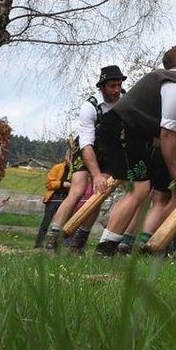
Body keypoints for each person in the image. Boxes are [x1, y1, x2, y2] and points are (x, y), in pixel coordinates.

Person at [96, 48, 176, 255]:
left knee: (140, 190)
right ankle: (105, 249)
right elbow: (166, 135)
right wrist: (175, 172)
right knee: (139, 189)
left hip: (132, 135)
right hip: (120, 131)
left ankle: (108, 245)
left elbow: (171, 134)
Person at [48, 65, 125, 254]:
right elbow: (86, 145)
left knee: (99, 193)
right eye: (112, 86)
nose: (117, 90)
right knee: (78, 190)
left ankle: (79, 242)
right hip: (86, 147)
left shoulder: (123, 103)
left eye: (119, 85)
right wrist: (96, 174)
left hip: (108, 149)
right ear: (102, 87)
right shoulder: (89, 107)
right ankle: (53, 239)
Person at [32, 152, 71, 249]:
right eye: (70, 156)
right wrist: (62, 184)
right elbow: (48, 184)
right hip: (54, 197)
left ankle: (55, 245)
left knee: (63, 223)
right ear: (66, 157)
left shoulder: (75, 172)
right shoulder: (57, 167)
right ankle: (38, 245)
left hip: (67, 199)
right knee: (46, 223)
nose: (71, 159)